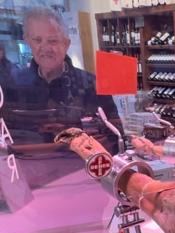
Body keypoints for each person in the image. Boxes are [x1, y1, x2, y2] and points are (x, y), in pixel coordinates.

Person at [5, 7, 120, 150]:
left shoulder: (92, 84)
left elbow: (115, 136)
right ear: (27, 42)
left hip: (80, 166)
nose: (45, 47)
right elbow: (7, 136)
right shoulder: (12, 86)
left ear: (66, 44)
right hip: (26, 167)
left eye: (52, 41)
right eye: (37, 40)